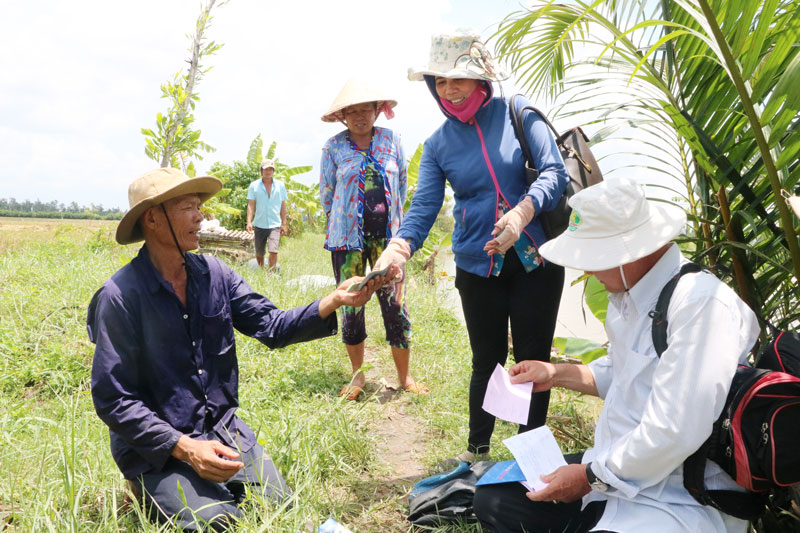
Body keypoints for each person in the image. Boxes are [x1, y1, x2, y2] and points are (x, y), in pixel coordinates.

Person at [87, 168, 390, 530]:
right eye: (188, 207)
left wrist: (334, 300)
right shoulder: (120, 297)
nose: (201, 216)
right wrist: (185, 447)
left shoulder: (215, 274)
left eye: (199, 206)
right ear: (152, 218)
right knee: (216, 522)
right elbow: (113, 399)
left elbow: (272, 326)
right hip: (159, 447)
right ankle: (143, 487)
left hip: (221, 428)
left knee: (279, 506)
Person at [472, 178, 760, 533]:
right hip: (610, 476)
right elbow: (622, 372)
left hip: (676, 498)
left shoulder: (701, 306)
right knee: (495, 499)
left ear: (630, 250)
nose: (589, 271)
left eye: (593, 258)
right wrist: (553, 373)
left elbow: (675, 432)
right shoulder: (627, 298)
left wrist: (588, 476)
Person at [374, 31, 569, 462]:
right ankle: (477, 454)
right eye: (440, 81)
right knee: (488, 360)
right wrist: (399, 247)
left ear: (482, 78)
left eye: (457, 78)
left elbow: (555, 174)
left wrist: (520, 215)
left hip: (535, 259)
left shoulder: (519, 114)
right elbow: (424, 205)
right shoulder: (439, 143)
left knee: (533, 360)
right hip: (478, 266)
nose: (449, 89)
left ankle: (528, 459)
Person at [319, 77, 428, 400]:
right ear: (342, 117)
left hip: (388, 241)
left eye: (365, 109)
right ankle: (357, 377)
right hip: (346, 241)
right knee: (351, 305)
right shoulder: (333, 147)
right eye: (351, 112)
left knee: (395, 305)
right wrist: (342, 220)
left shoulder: (392, 141)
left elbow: (403, 187)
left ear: (377, 111)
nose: (359, 116)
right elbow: (327, 195)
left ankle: (405, 377)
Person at [246, 158, 287, 271]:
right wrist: (249, 222)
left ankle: (270, 275)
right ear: (261, 170)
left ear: (273, 170)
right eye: (266, 169)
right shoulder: (254, 186)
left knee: (273, 250)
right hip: (259, 223)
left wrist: (284, 223)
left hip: (275, 224)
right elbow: (251, 205)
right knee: (259, 252)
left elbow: (283, 206)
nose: (268, 171)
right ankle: (262, 270)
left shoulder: (280, 186)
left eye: (270, 169)